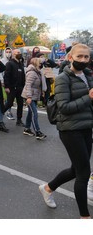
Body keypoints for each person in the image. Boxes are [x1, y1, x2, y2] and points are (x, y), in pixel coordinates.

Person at [38, 44, 93, 218]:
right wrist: (89, 97)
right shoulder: (63, 78)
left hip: (86, 127)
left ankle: (47, 188)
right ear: (70, 57)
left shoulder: (88, 75)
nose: (83, 60)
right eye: (80, 57)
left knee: (76, 169)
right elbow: (65, 107)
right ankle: (84, 217)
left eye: (86, 57)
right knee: (84, 172)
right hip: (70, 130)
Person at [21, 58, 47, 140]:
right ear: (36, 63)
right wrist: (29, 97)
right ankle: (38, 132)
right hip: (30, 96)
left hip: (33, 95)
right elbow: (28, 85)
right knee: (34, 113)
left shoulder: (37, 72)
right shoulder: (32, 73)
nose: (41, 64)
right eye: (40, 63)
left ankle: (27, 128)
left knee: (30, 112)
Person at [3, 49, 26, 127]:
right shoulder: (10, 64)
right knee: (9, 103)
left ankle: (19, 120)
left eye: (20, 52)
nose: (19, 54)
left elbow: (23, 76)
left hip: (20, 88)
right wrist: (6, 86)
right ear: (13, 54)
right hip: (12, 88)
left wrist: (24, 87)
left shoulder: (21, 64)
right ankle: (1, 113)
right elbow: (6, 76)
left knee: (20, 104)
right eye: (18, 53)